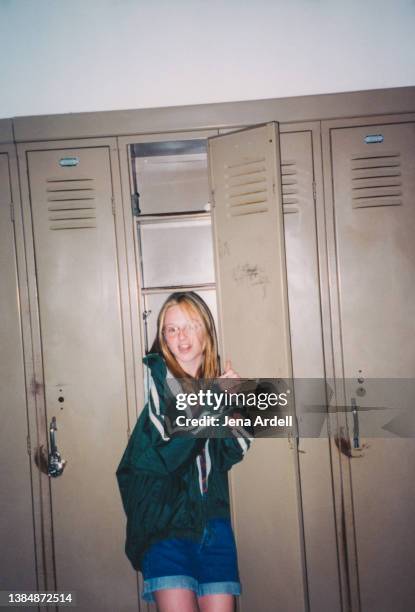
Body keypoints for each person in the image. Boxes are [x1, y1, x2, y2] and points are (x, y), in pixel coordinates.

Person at [116, 291, 253, 612]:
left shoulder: (215, 385)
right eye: (172, 329)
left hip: (214, 525)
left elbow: (225, 455)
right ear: (163, 339)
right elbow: (172, 450)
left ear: (207, 334)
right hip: (167, 526)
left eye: (191, 325)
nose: (182, 336)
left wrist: (239, 407)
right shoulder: (161, 383)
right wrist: (217, 402)